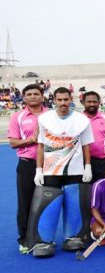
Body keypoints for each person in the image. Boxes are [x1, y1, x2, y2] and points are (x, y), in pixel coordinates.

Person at [8, 84, 46, 253]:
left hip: (49, 165)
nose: (32, 96)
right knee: (25, 204)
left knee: (47, 203)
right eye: (29, 94)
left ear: (42, 96)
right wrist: (32, 139)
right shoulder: (18, 116)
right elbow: (13, 142)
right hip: (27, 165)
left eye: (36, 94)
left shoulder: (51, 115)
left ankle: (43, 237)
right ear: (23, 97)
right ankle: (24, 239)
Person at [82, 91, 105, 182]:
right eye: (89, 102)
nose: (92, 104)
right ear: (83, 103)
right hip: (82, 161)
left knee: (102, 189)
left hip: (102, 162)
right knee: (85, 191)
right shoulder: (79, 118)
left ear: (99, 103)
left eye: (95, 102)